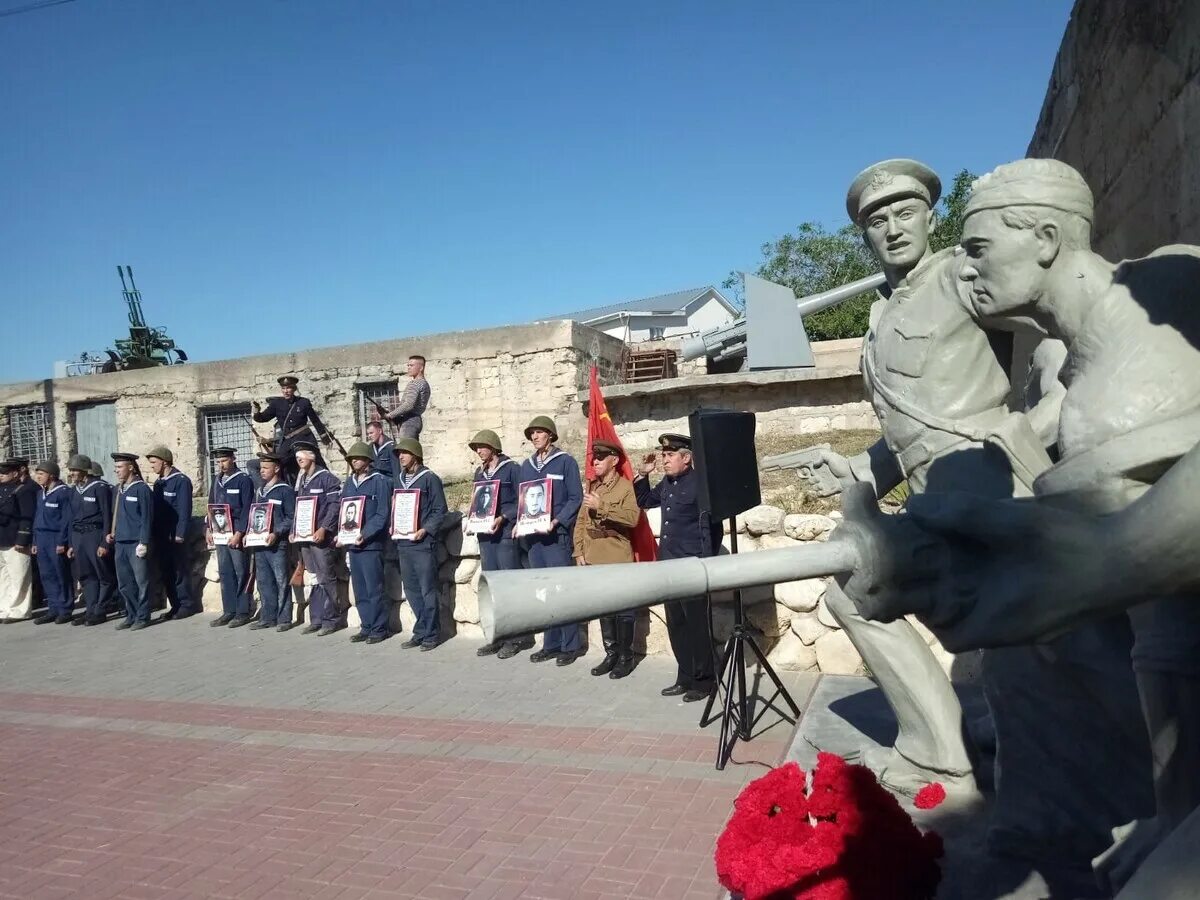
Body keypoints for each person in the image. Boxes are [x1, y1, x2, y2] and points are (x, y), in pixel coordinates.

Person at [845, 158, 1200, 891]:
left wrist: (1058, 448)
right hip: (955, 495)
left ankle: (1033, 788)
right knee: (1019, 659)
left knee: (1053, 647)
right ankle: (1030, 802)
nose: (965, 270)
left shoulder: (1163, 287)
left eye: (975, 246)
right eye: (873, 220)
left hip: (997, 491)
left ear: (1042, 236)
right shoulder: (899, 323)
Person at [634, 433, 722, 701]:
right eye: (663, 455)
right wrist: (643, 475)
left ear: (686, 457)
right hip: (669, 566)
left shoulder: (699, 484)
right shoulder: (668, 483)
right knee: (677, 625)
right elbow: (645, 501)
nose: (664, 459)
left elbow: (712, 528)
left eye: (670, 455)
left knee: (697, 626)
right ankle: (684, 676)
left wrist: (705, 563)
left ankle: (704, 681)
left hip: (691, 567)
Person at [516, 416, 584, 666]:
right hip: (535, 539)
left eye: (539, 432)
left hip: (556, 537)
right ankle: (551, 644)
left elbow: (576, 498)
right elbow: (523, 500)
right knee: (544, 592)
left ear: (551, 435)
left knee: (562, 590)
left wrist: (558, 521)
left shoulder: (565, 462)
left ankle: (570, 645)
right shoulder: (526, 466)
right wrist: (520, 524)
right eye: (532, 433)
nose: (535, 436)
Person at [574, 440, 640, 679]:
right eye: (594, 458)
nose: (596, 461)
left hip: (616, 556)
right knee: (605, 609)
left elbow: (632, 518)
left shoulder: (625, 487)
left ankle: (626, 656)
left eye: (601, 457)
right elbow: (582, 521)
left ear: (615, 460)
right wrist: (579, 551)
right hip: (595, 557)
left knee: (623, 609)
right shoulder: (594, 487)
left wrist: (603, 507)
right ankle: (611, 654)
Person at [467, 430, 528, 658]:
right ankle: (496, 637)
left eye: (482, 447)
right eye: (476, 448)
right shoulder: (479, 473)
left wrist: (503, 517)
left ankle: (515, 638)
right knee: (491, 589)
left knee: (508, 587)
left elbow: (522, 500)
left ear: (493, 447)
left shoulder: (512, 468)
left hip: (504, 536)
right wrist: (472, 517)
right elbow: (478, 503)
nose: (479, 451)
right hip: (486, 538)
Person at [392, 438, 448, 651]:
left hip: (423, 544)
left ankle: (432, 634)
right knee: (412, 590)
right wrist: (394, 526)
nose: (401, 457)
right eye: (399, 454)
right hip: (403, 543)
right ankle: (421, 630)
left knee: (427, 590)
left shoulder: (429, 479)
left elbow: (439, 510)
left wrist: (425, 529)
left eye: (405, 453)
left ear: (415, 454)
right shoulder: (399, 479)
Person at [292, 439, 346, 635]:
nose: (299, 458)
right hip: (304, 537)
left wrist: (324, 528)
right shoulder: (302, 480)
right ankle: (316, 618)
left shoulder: (326, 478)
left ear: (312, 456)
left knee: (325, 577)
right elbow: (298, 509)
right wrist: (293, 530)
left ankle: (332, 619)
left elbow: (334, 505)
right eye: (297, 456)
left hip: (320, 538)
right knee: (314, 577)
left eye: (302, 454)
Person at [339, 441, 391, 644]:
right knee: (360, 588)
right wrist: (340, 534)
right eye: (352, 458)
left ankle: (379, 628)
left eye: (358, 458)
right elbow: (344, 511)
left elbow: (382, 513)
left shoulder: (379, 481)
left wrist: (366, 533)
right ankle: (366, 625)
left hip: (371, 544)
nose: (354, 461)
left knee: (374, 587)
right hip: (353, 545)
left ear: (368, 460)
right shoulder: (349, 482)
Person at [146, 446, 196, 622]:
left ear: (164, 462)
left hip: (175, 534)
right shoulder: (159, 483)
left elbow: (184, 510)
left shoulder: (181, 481)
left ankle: (186, 604)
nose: (151, 466)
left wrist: (180, 533)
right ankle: (174, 605)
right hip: (162, 534)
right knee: (166, 571)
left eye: (154, 462)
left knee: (179, 570)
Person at [253, 376, 334, 481]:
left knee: (316, 460)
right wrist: (256, 412)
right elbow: (262, 418)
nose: (286, 391)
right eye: (283, 388)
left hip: (304, 437)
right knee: (279, 462)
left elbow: (315, 420)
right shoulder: (277, 404)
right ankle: (283, 486)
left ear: (294, 389)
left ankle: (329, 481)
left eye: (288, 388)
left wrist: (324, 436)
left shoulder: (304, 402)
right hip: (288, 441)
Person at [249, 452, 296, 632]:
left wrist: (277, 532)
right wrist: (249, 532)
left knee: (281, 580)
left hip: (277, 544)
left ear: (277, 469)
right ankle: (268, 617)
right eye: (261, 468)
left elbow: (291, 517)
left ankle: (284, 618)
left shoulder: (285, 490)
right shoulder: (260, 491)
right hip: (259, 542)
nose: (261, 471)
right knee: (264, 581)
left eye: (266, 468)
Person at [66, 454, 115, 626]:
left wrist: (104, 542)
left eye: (74, 470)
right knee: (86, 575)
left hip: (94, 534)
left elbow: (107, 516)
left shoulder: (99, 488)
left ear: (84, 470)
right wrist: (71, 543)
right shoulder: (74, 490)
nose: (71, 473)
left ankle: (101, 610)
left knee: (102, 574)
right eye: (70, 470)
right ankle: (90, 609)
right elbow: (71, 518)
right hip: (79, 536)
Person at [208, 447, 254, 628]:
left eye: (224, 461)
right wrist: (208, 528)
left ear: (233, 459)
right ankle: (229, 610)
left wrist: (239, 532)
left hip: (235, 532)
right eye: (218, 462)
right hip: (220, 532)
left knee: (240, 571)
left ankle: (242, 611)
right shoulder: (216, 480)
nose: (221, 465)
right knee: (225, 572)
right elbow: (211, 505)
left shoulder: (243, 480)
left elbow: (247, 508)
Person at [108, 452, 154, 631]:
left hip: (136, 542)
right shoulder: (118, 489)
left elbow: (147, 518)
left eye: (120, 467)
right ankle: (131, 614)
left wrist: (144, 541)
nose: (117, 471)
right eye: (116, 468)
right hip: (120, 542)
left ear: (131, 467)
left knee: (141, 581)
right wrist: (112, 532)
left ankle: (143, 616)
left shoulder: (141, 489)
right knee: (125, 583)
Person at [31, 460, 73, 624]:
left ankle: (65, 609)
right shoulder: (40, 493)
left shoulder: (63, 492)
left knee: (60, 574)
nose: (38, 477)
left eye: (41, 474)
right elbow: (37, 518)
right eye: (37, 474)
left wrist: (63, 541)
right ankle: (53, 608)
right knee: (46, 574)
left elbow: (66, 519)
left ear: (52, 475)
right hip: (41, 538)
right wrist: (34, 541)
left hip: (55, 538)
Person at [0, 457, 37, 623]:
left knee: (19, 576)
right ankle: (4, 608)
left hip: (15, 540)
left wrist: (22, 539)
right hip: (2, 539)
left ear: (15, 473)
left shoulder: (22, 490)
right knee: (4, 576)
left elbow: (26, 516)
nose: (1, 475)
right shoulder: (1, 490)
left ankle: (19, 610)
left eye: (5, 473)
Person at [384, 355, 431, 439]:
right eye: (408, 365)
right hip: (414, 420)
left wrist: (391, 415)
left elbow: (409, 404)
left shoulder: (416, 383)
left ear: (421, 368)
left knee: (406, 450)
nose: (409, 367)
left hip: (410, 421)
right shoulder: (424, 383)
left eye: (411, 365)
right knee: (411, 449)